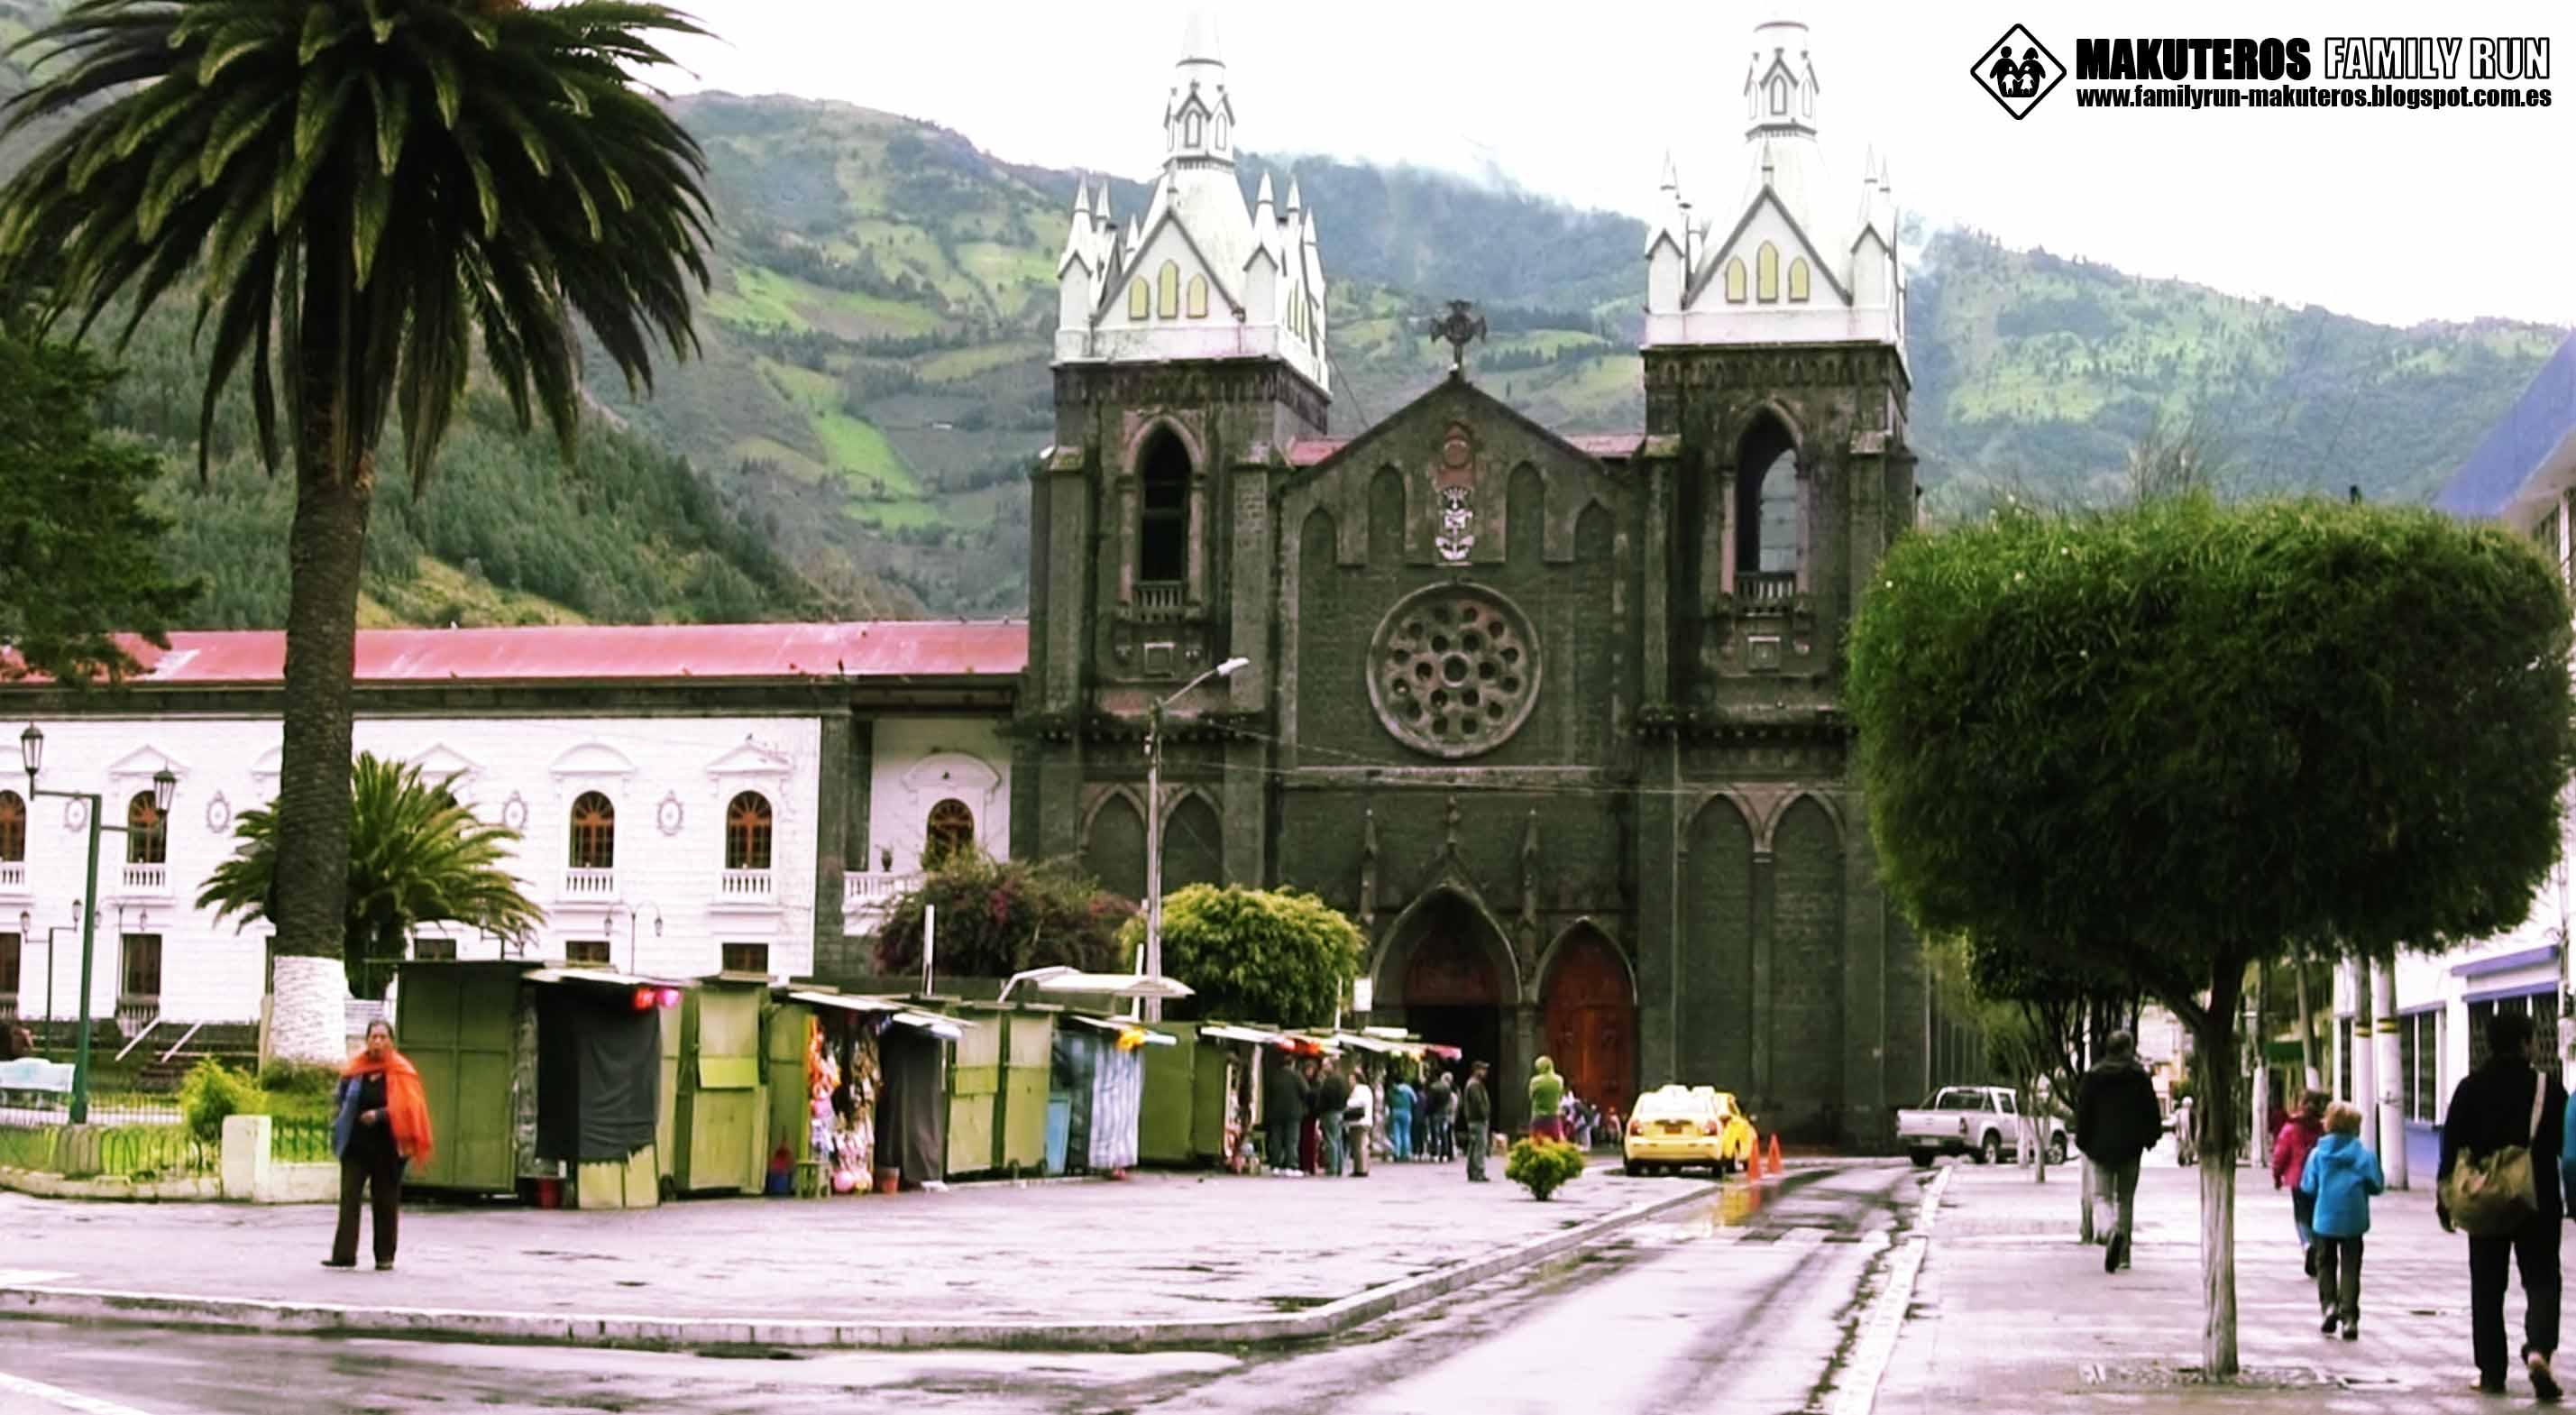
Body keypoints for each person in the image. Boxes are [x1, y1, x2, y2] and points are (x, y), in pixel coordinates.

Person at [2440, 1009, 2567, 1400]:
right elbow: (2565, 1143)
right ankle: (2539, 1349)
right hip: (2537, 1197)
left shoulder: (2470, 1088)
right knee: (2542, 1278)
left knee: (2487, 1286)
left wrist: (2445, 1198)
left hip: (2485, 1197)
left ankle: (2492, 1372)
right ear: (2526, 1043)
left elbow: (2451, 1146)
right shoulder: (2548, 1088)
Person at [325, 1019, 433, 1273]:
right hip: (356, 1146)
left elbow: (409, 1107)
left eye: (383, 1037)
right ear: (366, 1040)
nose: (377, 1042)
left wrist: (381, 1115)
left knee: (385, 1201)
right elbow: (341, 1098)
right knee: (349, 1197)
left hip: (388, 1147)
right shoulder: (356, 1069)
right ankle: (344, 1255)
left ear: (391, 1041)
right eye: (373, 1037)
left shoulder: (401, 1070)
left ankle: (384, 1257)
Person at [2073, 1030, 2162, 1274]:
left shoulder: (2093, 1076)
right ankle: (2123, 1256)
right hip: (2130, 1148)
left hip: (2099, 1148)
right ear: (2128, 1049)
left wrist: (2083, 1141)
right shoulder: (2138, 1077)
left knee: (2101, 1196)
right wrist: (2151, 1138)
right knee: (2125, 1200)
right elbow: (2151, 1111)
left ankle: (2110, 1231)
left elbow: (2083, 1112)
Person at [2299, 1100, 2384, 1341]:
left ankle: (2329, 1306)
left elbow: (2308, 1185)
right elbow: (2377, 1185)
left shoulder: (2318, 1154)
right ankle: (2349, 1318)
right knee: (2350, 1267)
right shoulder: (2364, 1155)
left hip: (2325, 1218)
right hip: (2354, 1219)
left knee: (2325, 1264)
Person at [2272, 1090, 2329, 1276]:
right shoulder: (2324, 1129)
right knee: (2317, 1215)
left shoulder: (2291, 1127)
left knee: (2301, 1216)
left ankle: (2307, 1244)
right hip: (2320, 1178)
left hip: (2297, 1179)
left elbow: (2280, 1153)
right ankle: (2318, 1247)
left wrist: (2277, 1175)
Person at [1264, 1047, 1303, 1174]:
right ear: (1292, 1064)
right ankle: (1291, 1165)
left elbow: (1269, 1094)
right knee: (1291, 1140)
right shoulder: (1297, 1076)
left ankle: (1275, 1165)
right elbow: (1306, 1092)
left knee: (1277, 1139)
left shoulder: (1275, 1076)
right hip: (1293, 1113)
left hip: (1276, 1113)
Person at [1315, 1059, 1352, 1177]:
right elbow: (1347, 1095)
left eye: (1326, 1065)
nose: (1323, 1067)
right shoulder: (1342, 1080)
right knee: (1338, 1140)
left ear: (1332, 1066)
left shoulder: (1330, 1081)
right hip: (1340, 1112)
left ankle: (1332, 1167)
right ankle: (1339, 1167)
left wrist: (1319, 1109)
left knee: (1330, 1140)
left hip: (1329, 1112)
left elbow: (1324, 1097)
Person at [1462, 1061, 1492, 1182]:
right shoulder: (1474, 1085)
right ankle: (1478, 1172)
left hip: (1473, 1120)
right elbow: (1478, 1103)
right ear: (1476, 1070)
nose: (1485, 1072)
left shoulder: (1472, 1083)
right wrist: (1485, 1115)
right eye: (1483, 1070)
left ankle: (1472, 1171)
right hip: (1478, 1120)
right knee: (1480, 1146)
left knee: (1473, 1146)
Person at [1528, 1057, 1565, 1143]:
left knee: (1536, 1144)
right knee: (1557, 1144)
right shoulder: (1559, 1080)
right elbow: (1560, 1096)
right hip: (1554, 1116)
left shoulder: (1535, 1081)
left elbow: (1531, 1096)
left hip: (1538, 1116)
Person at [1345, 1066, 1373, 1177]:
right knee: (1361, 1145)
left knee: (1359, 1146)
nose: (1349, 1082)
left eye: (1351, 1079)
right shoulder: (1366, 1089)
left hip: (1360, 1121)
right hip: (1364, 1121)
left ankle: (1361, 1169)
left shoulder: (1360, 1089)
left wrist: (1348, 1103)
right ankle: (1361, 1167)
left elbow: (1359, 1102)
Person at [1424, 1072, 1453, 1162]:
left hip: (1434, 1113)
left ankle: (1435, 1153)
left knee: (1434, 1134)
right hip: (1443, 1112)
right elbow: (1448, 1101)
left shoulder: (1433, 1087)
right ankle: (1444, 1153)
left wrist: (1427, 1112)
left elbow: (1430, 1102)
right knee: (1443, 1133)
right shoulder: (1447, 1088)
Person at [1389, 1074, 1417, 1162]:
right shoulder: (1408, 1089)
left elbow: (1388, 1101)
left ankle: (1397, 1153)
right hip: (1406, 1111)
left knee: (1396, 1133)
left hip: (1395, 1111)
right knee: (1406, 1133)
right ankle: (1406, 1154)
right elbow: (1415, 1100)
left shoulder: (1392, 1090)